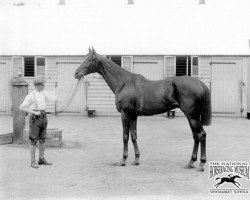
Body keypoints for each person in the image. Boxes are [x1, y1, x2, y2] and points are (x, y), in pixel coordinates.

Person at [20, 78, 57, 169]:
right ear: (37, 85)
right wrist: (34, 112)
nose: (44, 86)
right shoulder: (31, 95)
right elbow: (22, 107)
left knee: (43, 138)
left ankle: (41, 159)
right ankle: (33, 161)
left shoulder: (44, 93)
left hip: (44, 117)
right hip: (35, 118)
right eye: (42, 85)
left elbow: (53, 99)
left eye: (44, 84)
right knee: (34, 139)